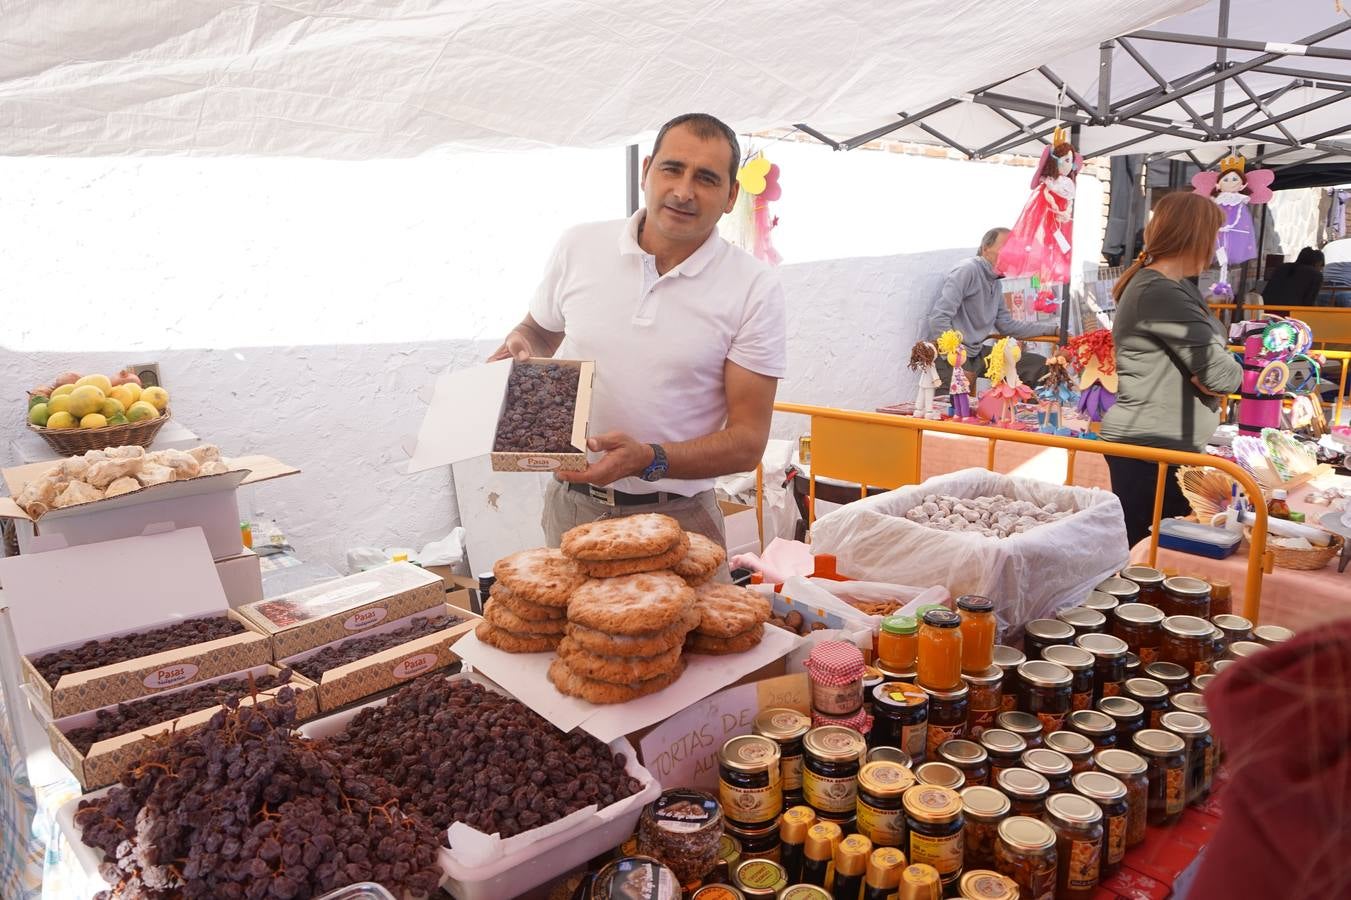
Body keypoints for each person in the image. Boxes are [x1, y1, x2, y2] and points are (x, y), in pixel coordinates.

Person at [490, 113, 786, 551]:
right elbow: (539, 329)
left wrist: (650, 458)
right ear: (646, 171)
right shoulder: (579, 246)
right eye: (672, 169)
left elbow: (747, 443)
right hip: (572, 510)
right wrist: (524, 343)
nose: (684, 191)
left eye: (706, 178)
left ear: (731, 196)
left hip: (682, 522)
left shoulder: (753, 286)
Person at [1100, 192, 1244, 547]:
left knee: (1156, 557)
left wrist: (1220, 365)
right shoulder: (1159, 291)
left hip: (1162, 445)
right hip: (1152, 449)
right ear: (1194, 236)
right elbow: (1218, 375)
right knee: (1151, 559)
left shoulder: (1172, 287)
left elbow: (1211, 368)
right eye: (1213, 235)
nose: (1215, 246)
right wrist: (1230, 366)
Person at [930, 227, 1055, 395]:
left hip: (977, 353)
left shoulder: (996, 282)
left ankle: (1032, 417)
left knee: (1041, 366)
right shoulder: (967, 270)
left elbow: (1007, 325)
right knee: (954, 410)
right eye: (1006, 249)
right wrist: (957, 360)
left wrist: (1053, 329)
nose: (1011, 255)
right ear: (985, 248)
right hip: (954, 356)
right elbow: (938, 318)